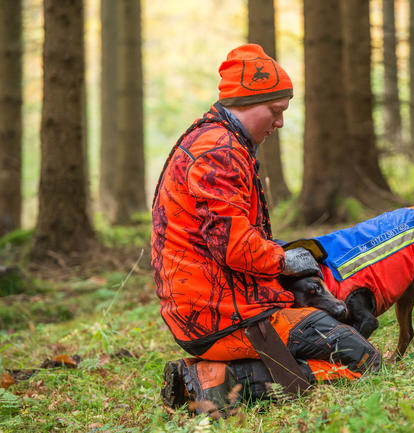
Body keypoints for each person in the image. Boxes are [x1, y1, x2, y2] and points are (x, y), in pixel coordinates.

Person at [151, 44, 381, 413]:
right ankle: (213, 384)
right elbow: (237, 248)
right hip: (225, 315)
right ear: (245, 103)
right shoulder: (217, 151)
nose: (280, 123)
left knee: (342, 321)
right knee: (361, 357)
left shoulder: (223, 142)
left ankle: (218, 373)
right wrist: (287, 259)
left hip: (224, 304)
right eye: (275, 111)